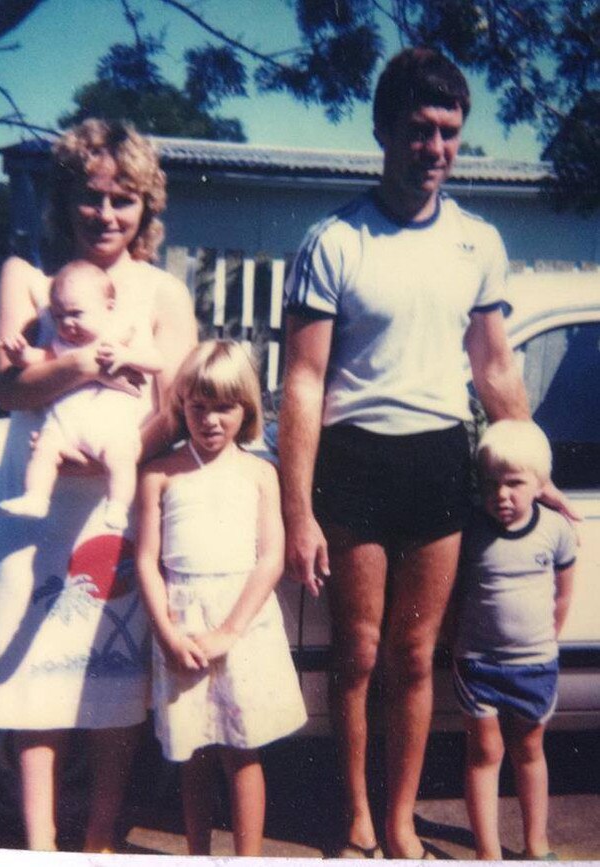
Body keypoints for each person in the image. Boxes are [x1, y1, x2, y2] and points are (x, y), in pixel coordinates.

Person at [278, 47, 575, 859]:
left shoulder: (478, 243)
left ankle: (402, 818)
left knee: (415, 657)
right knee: (359, 654)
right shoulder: (334, 240)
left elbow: (494, 369)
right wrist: (297, 509)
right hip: (357, 460)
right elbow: (301, 383)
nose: (435, 149)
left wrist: (535, 470)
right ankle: (354, 817)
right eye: (418, 130)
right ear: (384, 129)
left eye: (448, 133)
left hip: (442, 459)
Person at [0, 119, 197, 852]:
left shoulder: (162, 290)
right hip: (35, 509)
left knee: (111, 682)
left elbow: (176, 407)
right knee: (38, 683)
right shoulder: (25, 277)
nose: (106, 214)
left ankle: (98, 839)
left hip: (115, 505)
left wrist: (113, 456)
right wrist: (91, 364)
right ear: (66, 202)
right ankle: (39, 844)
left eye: (124, 199)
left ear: (145, 208)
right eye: (92, 198)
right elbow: (11, 389)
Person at [136, 340, 307, 857]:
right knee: (193, 752)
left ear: (247, 411)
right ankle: (197, 852)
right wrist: (167, 635)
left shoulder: (261, 473)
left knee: (241, 748)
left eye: (225, 408)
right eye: (199, 406)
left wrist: (230, 630)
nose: (211, 420)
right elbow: (147, 559)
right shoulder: (160, 473)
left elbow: (271, 557)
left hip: (242, 625)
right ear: (182, 405)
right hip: (182, 624)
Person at [454, 421, 576, 861]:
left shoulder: (556, 530)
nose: (501, 495)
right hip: (478, 664)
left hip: (536, 664)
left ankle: (536, 845)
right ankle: (489, 853)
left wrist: (544, 641)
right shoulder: (471, 529)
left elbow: (563, 594)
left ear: (540, 485)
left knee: (529, 751)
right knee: (484, 752)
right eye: (490, 484)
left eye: (514, 483)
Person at [0, 259, 163, 530]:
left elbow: (157, 362)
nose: (67, 324)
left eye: (76, 314)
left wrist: (127, 355)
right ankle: (36, 498)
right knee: (44, 450)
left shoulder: (120, 335)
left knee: (121, 460)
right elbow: (41, 358)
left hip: (110, 427)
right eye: (59, 317)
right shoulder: (61, 344)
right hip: (65, 425)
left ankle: (118, 505)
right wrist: (19, 354)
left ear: (107, 308)